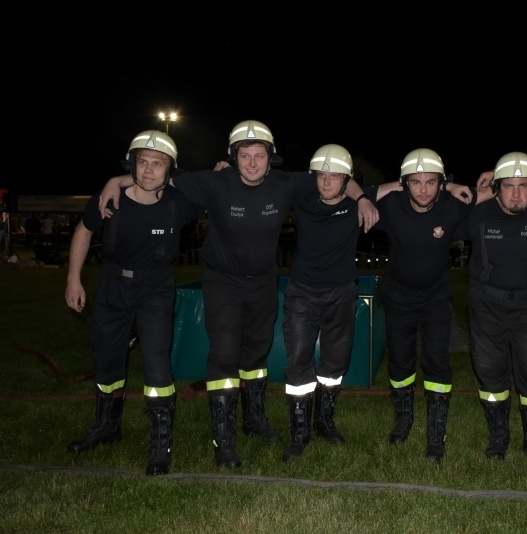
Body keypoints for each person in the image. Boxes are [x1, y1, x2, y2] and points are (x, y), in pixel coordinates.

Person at [97, 120, 378, 469]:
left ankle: (255, 419)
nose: (251, 163)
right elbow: (160, 176)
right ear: (233, 157)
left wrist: (363, 198)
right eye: (244, 155)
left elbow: (336, 175)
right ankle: (223, 439)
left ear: (270, 158)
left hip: (262, 282)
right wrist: (116, 180)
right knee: (224, 356)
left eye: (259, 156)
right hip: (223, 283)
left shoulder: (286, 184)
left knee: (256, 354)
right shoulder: (214, 182)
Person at [65, 130, 204, 475]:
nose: (148, 170)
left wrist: (220, 167)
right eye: (142, 162)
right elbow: (83, 230)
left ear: (169, 170)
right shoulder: (110, 198)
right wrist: (73, 278)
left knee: (157, 364)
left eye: (158, 164)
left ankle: (160, 444)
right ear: (133, 164)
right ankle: (107, 426)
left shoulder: (180, 202)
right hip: (113, 284)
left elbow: (215, 186)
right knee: (107, 359)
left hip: (156, 287)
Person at [281, 144, 402, 461]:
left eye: (334, 177)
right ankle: (299, 432)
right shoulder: (302, 197)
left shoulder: (356, 201)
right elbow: (262, 179)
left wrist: (362, 197)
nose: (326, 182)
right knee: (297, 362)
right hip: (302, 292)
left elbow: (409, 183)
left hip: (340, 294)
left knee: (334, 365)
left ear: (347, 179)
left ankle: (324, 421)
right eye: (322, 175)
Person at [453, 152, 527, 468]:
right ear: (497, 187)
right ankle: (498, 437)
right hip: (486, 307)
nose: (516, 194)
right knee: (490, 373)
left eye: (524, 186)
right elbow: (443, 204)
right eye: (508, 186)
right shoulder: (477, 215)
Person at [362, 148, 474, 462]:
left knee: (437, 362)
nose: (423, 189)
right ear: (404, 184)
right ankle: (403, 419)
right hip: (398, 298)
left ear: (440, 184)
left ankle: (436, 434)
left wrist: (451, 186)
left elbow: (497, 194)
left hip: (436, 300)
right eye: (415, 182)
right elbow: (359, 192)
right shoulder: (390, 206)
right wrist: (394, 187)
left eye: (430, 182)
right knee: (400, 363)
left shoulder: (452, 206)